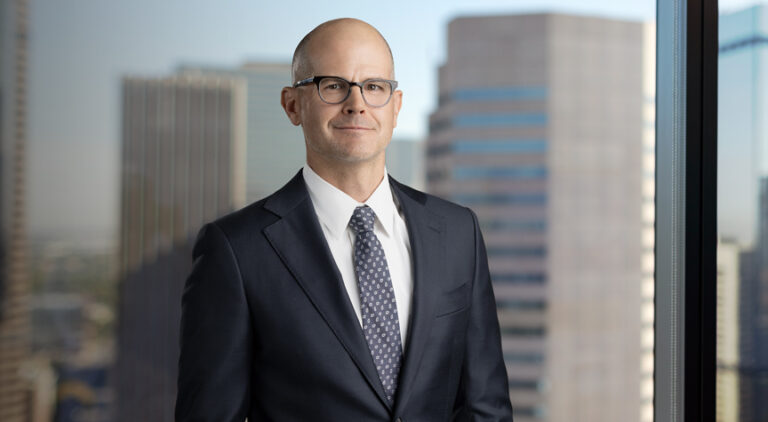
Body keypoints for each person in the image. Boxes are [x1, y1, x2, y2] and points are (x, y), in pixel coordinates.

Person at [175, 18, 514, 422]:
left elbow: (486, 408)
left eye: (374, 87)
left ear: (396, 106)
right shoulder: (236, 250)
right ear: (292, 105)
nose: (357, 103)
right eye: (334, 85)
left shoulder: (458, 233)